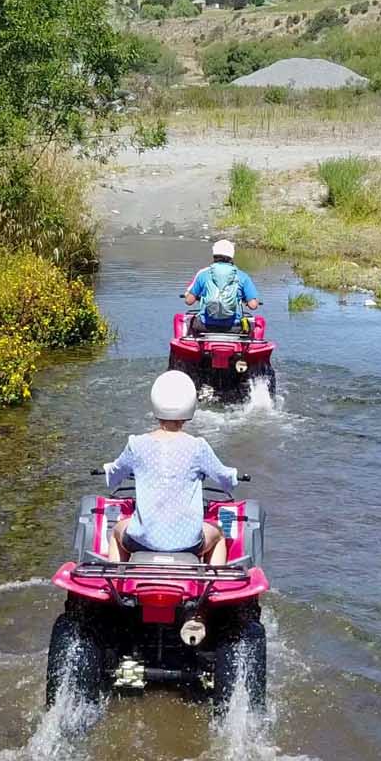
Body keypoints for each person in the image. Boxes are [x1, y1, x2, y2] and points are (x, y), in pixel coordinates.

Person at [104, 371, 238, 562]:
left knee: (117, 531)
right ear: (190, 405)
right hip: (189, 543)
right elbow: (226, 480)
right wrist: (233, 476)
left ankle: (117, 580)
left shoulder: (136, 445)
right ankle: (214, 586)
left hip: (142, 541)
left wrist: (109, 470)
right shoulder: (198, 447)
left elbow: (114, 476)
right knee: (217, 535)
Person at [183, 239, 261, 334]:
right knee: (251, 323)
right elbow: (253, 305)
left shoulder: (204, 275)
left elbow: (189, 301)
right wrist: (251, 300)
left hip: (205, 326)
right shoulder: (242, 276)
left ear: (214, 255)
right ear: (231, 256)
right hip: (233, 327)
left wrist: (192, 295)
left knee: (189, 320)